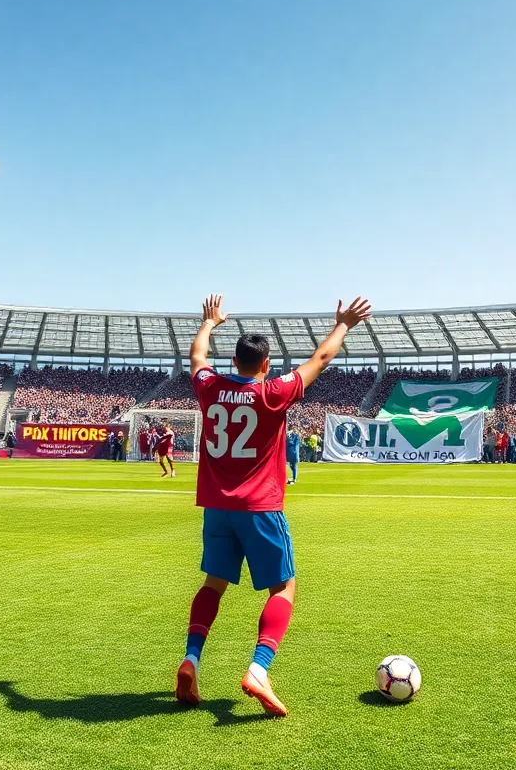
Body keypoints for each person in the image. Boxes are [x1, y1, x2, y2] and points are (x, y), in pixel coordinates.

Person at [175, 293, 371, 718]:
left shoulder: (210, 387)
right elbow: (320, 357)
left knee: (213, 583)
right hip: (260, 508)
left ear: (233, 361)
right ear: (265, 365)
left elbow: (195, 355)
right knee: (285, 587)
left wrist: (210, 322)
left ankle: (191, 659)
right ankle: (259, 670)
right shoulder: (273, 393)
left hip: (217, 509)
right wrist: (344, 325)